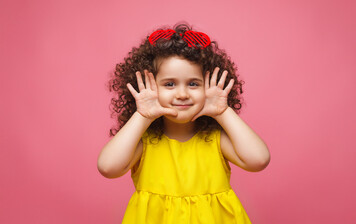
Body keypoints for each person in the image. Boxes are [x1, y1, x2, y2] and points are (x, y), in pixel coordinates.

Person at [97, 22, 271, 223]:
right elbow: (107, 167)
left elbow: (259, 160)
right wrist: (142, 115)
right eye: (169, 84)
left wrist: (222, 112)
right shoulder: (145, 142)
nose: (182, 94)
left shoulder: (215, 139)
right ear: (148, 85)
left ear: (209, 85)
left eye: (193, 84)